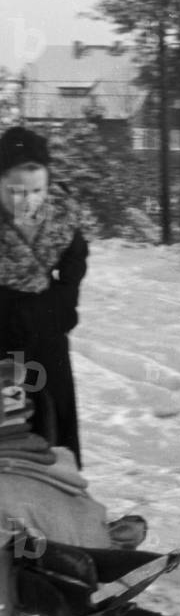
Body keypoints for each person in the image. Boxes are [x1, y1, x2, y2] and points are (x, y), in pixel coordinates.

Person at [0, 125, 88, 468]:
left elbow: (74, 259)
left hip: (46, 326)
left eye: (37, 190)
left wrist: (64, 305)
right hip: (4, 332)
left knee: (57, 413)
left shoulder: (60, 217)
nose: (29, 200)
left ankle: (64, 483)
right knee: (10, 419)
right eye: (17, 191)